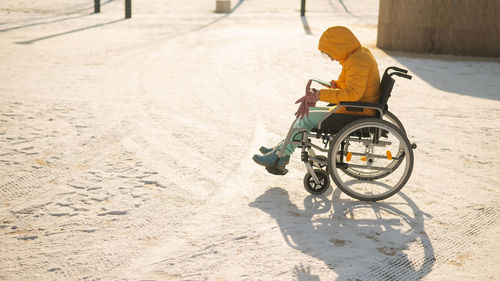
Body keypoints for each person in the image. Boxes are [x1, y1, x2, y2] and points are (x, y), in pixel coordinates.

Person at [252, 26, 380, 173]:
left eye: (330, 53)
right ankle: (281, 149)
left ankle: (280, 156)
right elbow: (354, 87)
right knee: (307, 113)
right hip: (356, 109)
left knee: (306, 118)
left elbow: (353, 93)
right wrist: (334, 85)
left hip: (356, 113)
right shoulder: (358, 56)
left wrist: (320, 95)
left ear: (339, 46)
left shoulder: (357, 61)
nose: (331, 58)